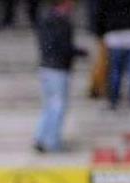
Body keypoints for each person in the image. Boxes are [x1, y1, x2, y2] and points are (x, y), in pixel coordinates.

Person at [34, 0, 87, 153]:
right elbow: (63, 47)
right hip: (57, 68)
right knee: (57, 106)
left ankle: (41, 137)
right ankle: (52, 142)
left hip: (46, 67)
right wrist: (80, 53)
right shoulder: (61, 22)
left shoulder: (45, 20)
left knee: (48, 106)